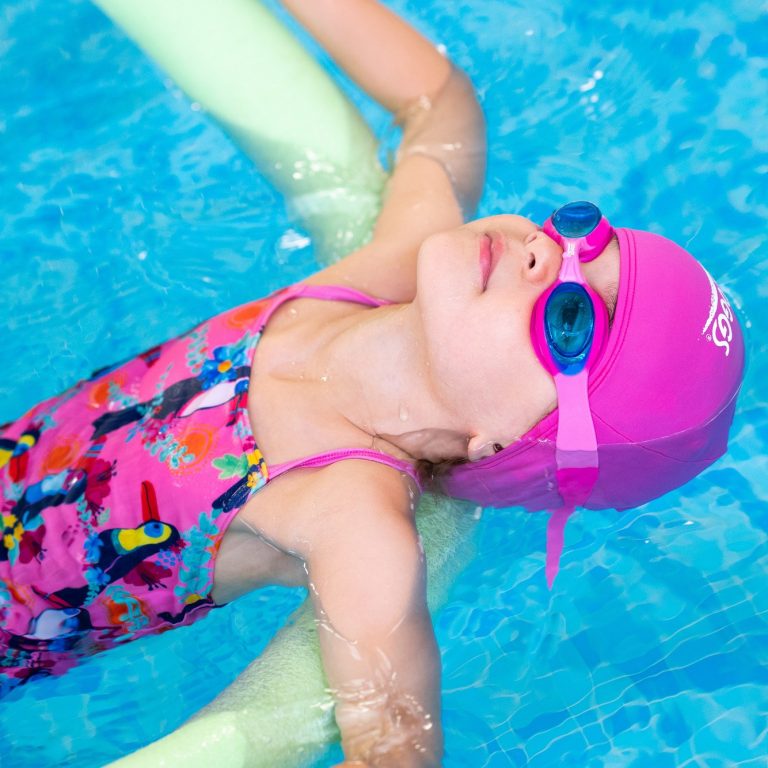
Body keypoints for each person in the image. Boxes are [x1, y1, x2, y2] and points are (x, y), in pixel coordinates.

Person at [0, 0, 744, 765]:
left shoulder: (352, 516)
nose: (545, 256)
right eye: (580, 235)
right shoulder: (394, 260)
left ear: (506, 441)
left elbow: (394, 742)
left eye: (570, 321)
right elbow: (440, 102)